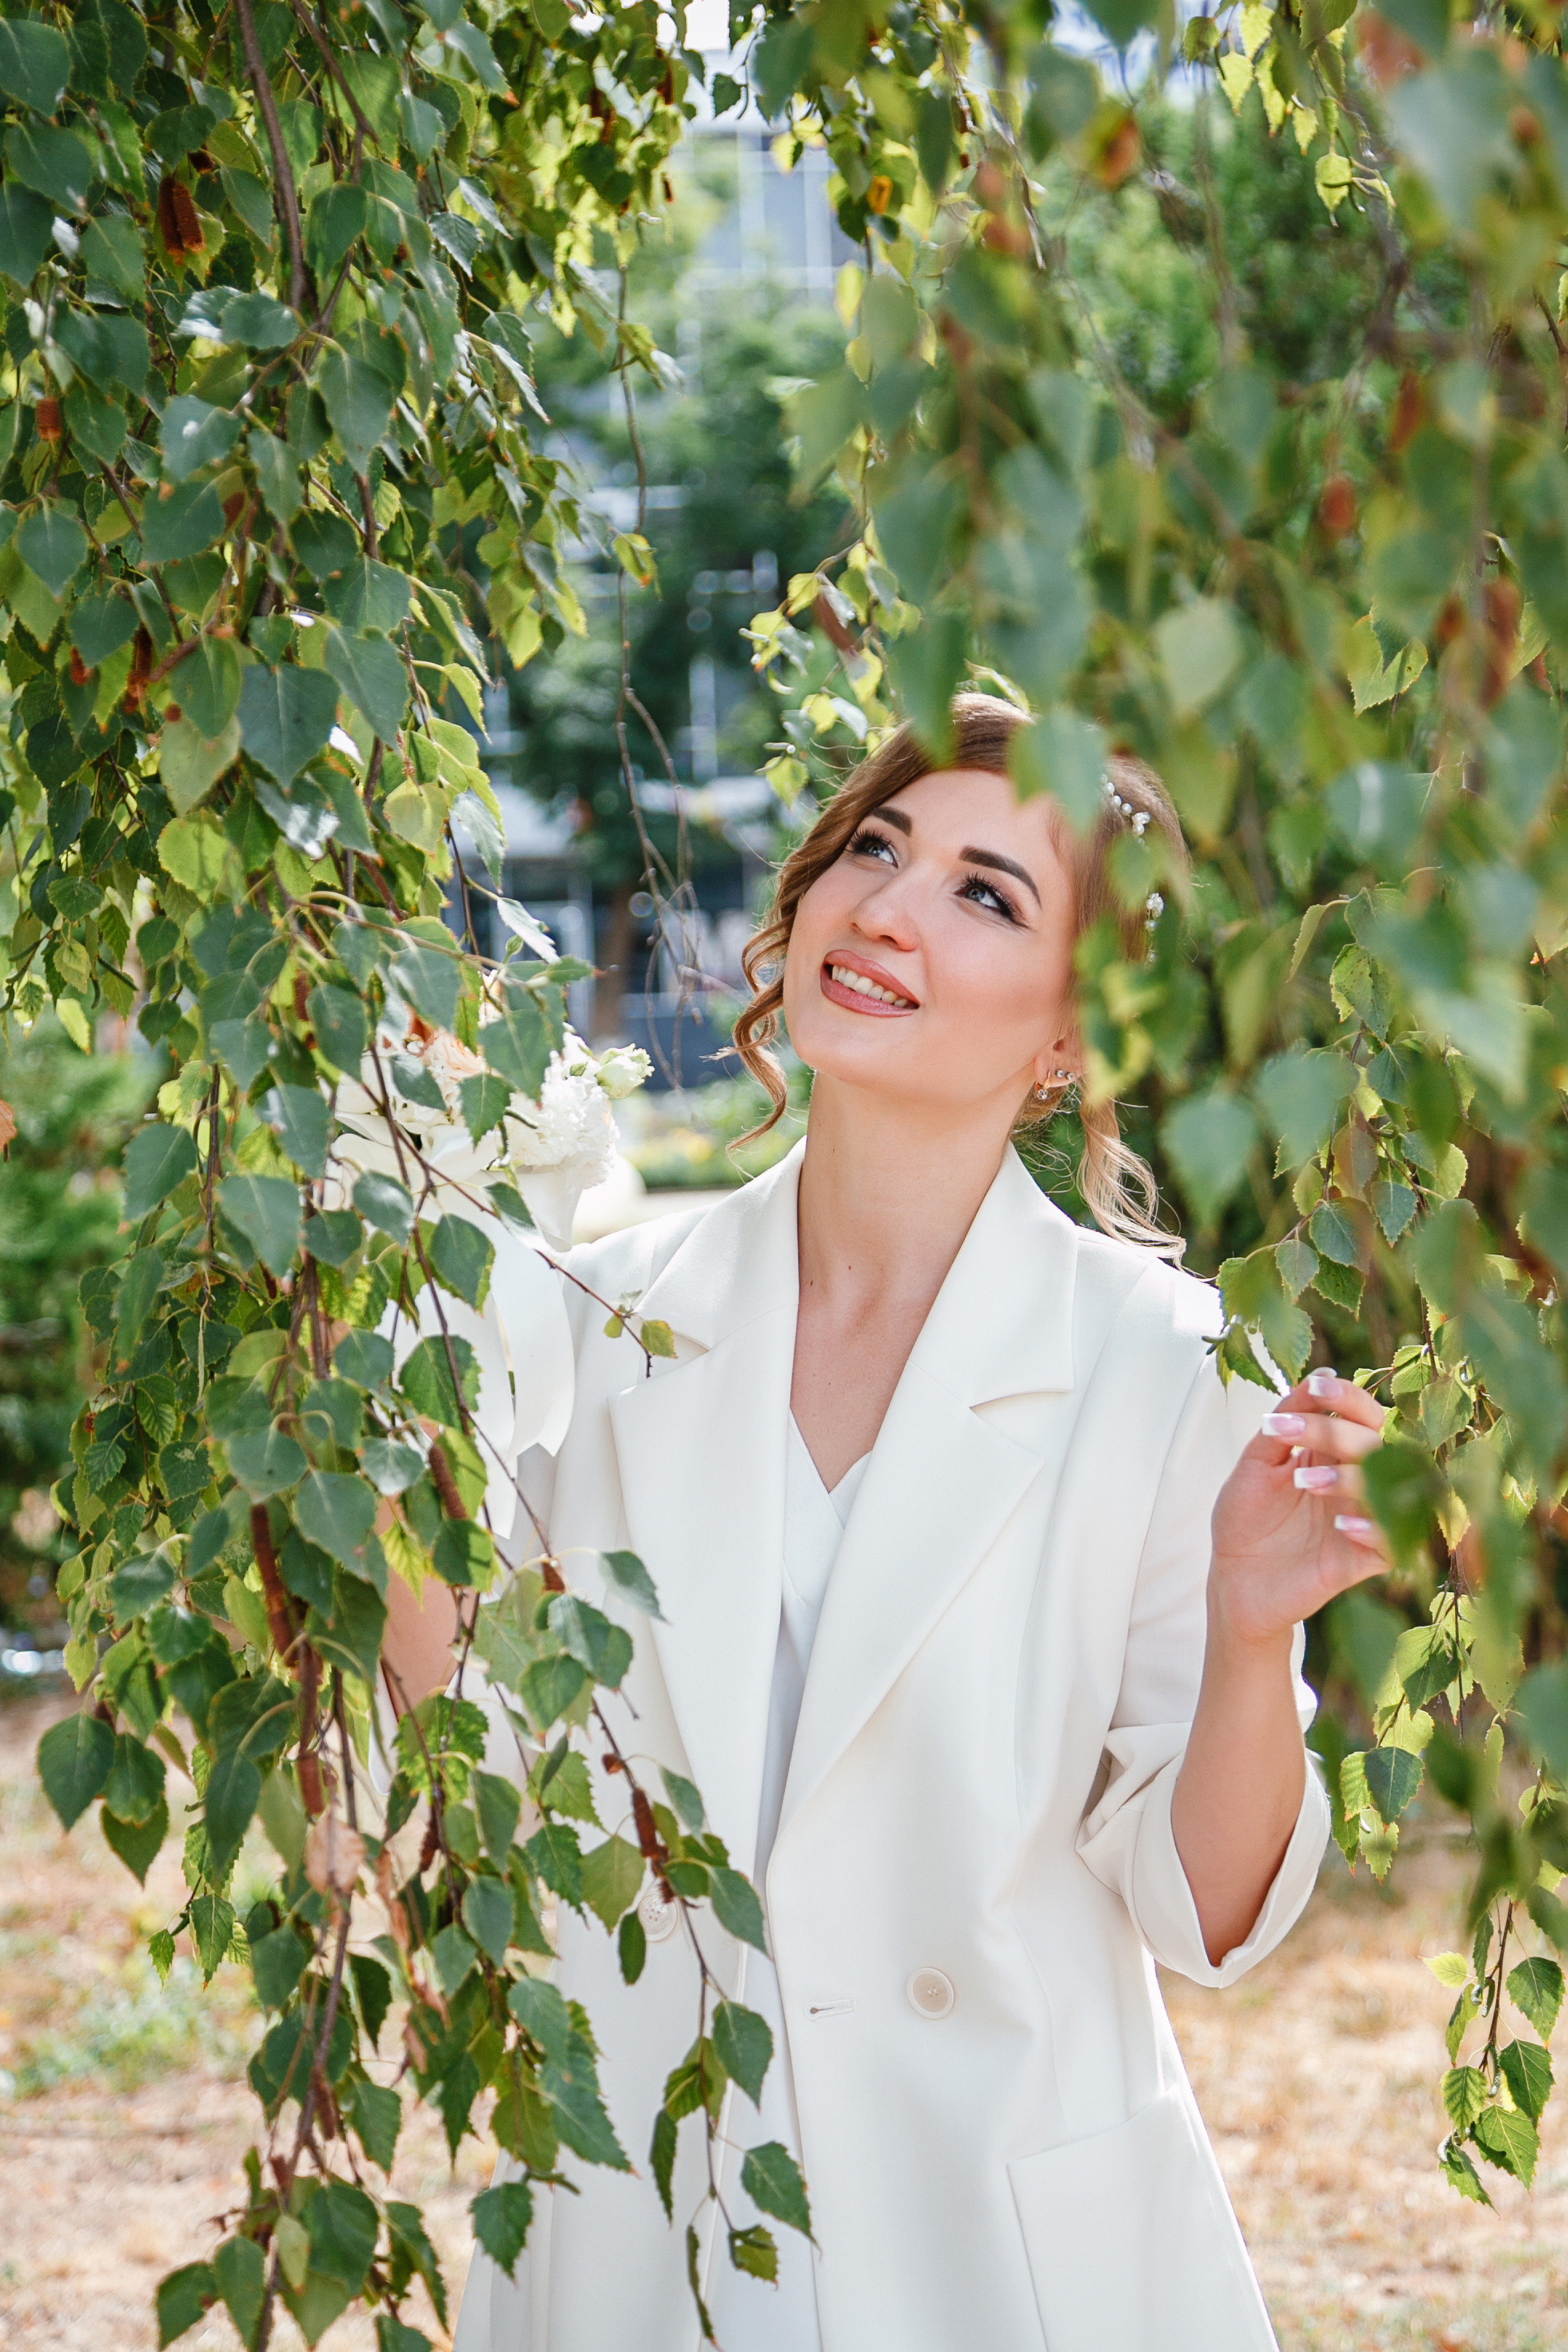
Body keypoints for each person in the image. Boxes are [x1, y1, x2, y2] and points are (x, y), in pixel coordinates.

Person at [387, 693, 1388, 2352]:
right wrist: (381, 1387)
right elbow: (475, 1789)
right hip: (655, 2227)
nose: (891, 909)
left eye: (988, 894)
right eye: (878, 849)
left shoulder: (1170, 1367)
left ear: (1070, 1035)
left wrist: (1246, 1633)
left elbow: (1207, 1917)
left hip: (996, 2251)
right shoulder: (594, 1313)